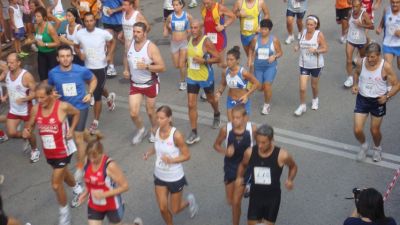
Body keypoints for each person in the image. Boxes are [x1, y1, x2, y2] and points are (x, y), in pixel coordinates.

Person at [22, 84, 84, 225]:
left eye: (42, 97)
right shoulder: (36, 109)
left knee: (56, 185)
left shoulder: (62, 106)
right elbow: (30, 125)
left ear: (51, 95)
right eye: (37, 98)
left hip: (63, 149)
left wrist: (71, 129)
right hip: (49, 151)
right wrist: (27, 131)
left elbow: (77, 113)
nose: (40, 100)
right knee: (64, 173)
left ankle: (65, 214)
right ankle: (78, 188)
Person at [48, 45, 97, 182]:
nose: (65, 59)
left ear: (72, 57)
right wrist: (52, 94)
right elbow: (50, 86)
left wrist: (90, 93)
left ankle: (81, 167)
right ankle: (92, 142)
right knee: (80, 133)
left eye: (68, 56)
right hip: (64, 109)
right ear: (58, 58)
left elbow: (93, 79)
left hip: (80, 106)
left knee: (77, 137)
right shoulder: (53, 73)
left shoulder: (81, 70)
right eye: (62, 56)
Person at [143, 105, 199, 225]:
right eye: (157, 118)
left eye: (162, 118)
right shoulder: (156, 131)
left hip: (175, 177)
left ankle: (189, 202)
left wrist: (171, 160)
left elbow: (187, 155)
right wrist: (149, 152)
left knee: (175, 209)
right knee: (163, 208)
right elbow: (157, 146)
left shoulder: (176, 135)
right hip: (159, 175)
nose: (159, 120)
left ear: (169, 119)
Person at [234, 124, 298, 225]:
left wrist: (290, 179)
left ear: (271, 139)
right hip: (255, 196)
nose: (259, 145)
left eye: (263, 142)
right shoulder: (250, 152)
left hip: (272, 198)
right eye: (258, 141)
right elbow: (243, 165)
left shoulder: (282, 155)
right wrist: (239, 177)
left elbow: (293, 166)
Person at [352, 43, 399, 162]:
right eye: (368, 56)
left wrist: (387, 96)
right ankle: (364, 146)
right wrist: (356, 84)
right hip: (362, 99)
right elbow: (356, 73)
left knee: (374, 130)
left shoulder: (385, 66)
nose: (370, 59)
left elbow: (397, 85)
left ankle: (377, 148)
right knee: (357, 130)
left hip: (377, 101)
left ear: (379, 55)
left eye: (372, 57)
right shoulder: (361, 62)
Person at [77, 130, 133, 225]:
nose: (92, 160)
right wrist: (85, 193)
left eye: (95, 157)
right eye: (90, 157)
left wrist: (104, 195)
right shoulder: (88, 160)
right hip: (94, 204)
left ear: (101, 153)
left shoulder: (110, 166)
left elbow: (125, 186)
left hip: (112, 205)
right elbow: (90, 181)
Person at [213, 104, 256, 225]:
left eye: (238, 117)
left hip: (245, 169)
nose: (234, 120)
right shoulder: (225, 129)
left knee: (236, 203)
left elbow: (261, 146)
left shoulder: (252, 129)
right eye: (233, 117)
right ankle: (248, 187)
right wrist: (225, 151)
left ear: (245, 118)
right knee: (230, 201)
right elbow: (216, 145)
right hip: (230, 167)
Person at [74, 13, 117, 134]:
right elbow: (76, 46)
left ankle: (95, 122)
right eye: (86, 21)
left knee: (96, 94)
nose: (89, 23)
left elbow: (113, 41)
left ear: (95, 20)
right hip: (88, 67)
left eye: (91, 20)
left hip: (101, 66)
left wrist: (109, 55)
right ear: (84, 22)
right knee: (99, 88)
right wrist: (79, 54)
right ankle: (109, 97)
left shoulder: (102, 33)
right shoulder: (80, 33)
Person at [125, 22, 166, 144]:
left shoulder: (151, 47)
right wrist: (126, 70)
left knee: (150, 111)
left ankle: (155, 130)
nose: (135, 34)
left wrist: (147, 67)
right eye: (134, 31)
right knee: (133, 113)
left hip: (150, 83)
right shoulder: (129, 43)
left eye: (138, 32)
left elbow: (162, 67)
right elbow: (126, 57)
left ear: (144, 33)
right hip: (135, 84)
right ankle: (142, 130)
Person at [185, 19, 221, 144]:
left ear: (201, 29)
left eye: (195, 28)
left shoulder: (206, 42)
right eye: (191, 27)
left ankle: (216, 113)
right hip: (191, 76)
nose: (193, 30)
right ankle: (194, 132)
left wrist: (204, 61)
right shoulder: (189, 37)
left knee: (211, 100)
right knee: (191, 104)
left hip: (205, 77)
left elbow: (218, 58)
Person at [0, 53, 40, 163]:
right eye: (8, 62)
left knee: (29, 133)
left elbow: (35, 93)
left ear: (19, 63)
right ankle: (24, 137)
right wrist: (6, 96)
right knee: (11, 133)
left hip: (27, 110)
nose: (9, 64)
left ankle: (34, 150)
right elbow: (10, 87)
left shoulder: (26, 76)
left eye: (12, 62)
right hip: (14, 110)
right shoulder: (7, 72)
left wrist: (24, 99)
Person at [294, 15, 328, 116]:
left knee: (313, 85)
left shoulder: (319, 35)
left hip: (316, 65)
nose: (309, 26)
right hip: (304, 64)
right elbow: (300, 43)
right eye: (307, 24)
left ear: (315, 25)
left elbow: (325, 48)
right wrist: (297, 46)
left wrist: (316, 50)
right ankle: (302, 105)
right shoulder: (303, 32)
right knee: (302, 88)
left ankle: (315, 99)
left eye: (311, 25)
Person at [248, 18, 283, 115]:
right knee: (259, 87)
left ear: (269, 30)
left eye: (265, 29)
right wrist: (250, 60)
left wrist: (274, 56)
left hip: (270, 67)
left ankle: (266, 105)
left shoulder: (274, 40)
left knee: (267, 86)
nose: (263, 31)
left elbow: (280, 52)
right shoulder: (255, 39)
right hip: (258, 67)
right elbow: (251, 50)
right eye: (262, 28)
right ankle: (264, 89)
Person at [215, 46, 259, 121]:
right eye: (227, 59)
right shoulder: (225, 71)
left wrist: (246, 95)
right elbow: (223, 84)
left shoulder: (243, 72)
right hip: (231, 100)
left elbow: (256, 83)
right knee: (231, 125)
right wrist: (219, 93)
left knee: (243, 126)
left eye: (231, 60)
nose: (228, 62)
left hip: (242, 101)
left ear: (237, 61)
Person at [343, 0, 374, 88]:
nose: (355, 8)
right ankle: (349, 78)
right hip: (350, 40)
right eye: (353, 6)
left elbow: (372, 26)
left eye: (357, 6)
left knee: (363, 60)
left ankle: (364, 76)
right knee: (349, 60)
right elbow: (349, 23)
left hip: (361, 41)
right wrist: (347, 29)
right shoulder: (350, 13)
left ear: (360, 6)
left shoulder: (364, 14)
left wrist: (362, 25)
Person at [163, 0, 192, 91]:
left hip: (183, 43)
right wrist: (166, 31)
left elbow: (194, 25)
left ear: (181, 5)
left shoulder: (187, 16)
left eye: (176, 5)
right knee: (176, 65)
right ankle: (186, 62)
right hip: (174, 43)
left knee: (181, 64)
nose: (174, 7)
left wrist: (190, 33)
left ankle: (183, 82)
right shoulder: (170, 17)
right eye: (173, 5)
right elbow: (166, 24)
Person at [121, 0, 150, 81]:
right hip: (127, 42)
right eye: (123, 5)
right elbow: (126, 26)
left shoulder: (137, 15)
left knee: (136, 59)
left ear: (131, 5)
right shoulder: (123, 14)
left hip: (135, 43)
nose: (123, 7)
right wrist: (122, 33)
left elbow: (147, 27)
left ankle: (142, 76)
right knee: (126, 55)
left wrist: (141, 37)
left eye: (125, 5)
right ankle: (127, 72)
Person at [31, 7, 60, 83]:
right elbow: (38, 39)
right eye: (35, 16)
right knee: (43, 76)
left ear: (44, 18)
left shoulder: (49, 27)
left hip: (51, 54)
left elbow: (57, 43)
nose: (36, 18)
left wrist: (45, 44)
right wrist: (31, 41)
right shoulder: (36, 26)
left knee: (54, 76)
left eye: (38, 16)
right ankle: (46, 93)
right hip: (41, 54)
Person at [101, 0, 123, 77]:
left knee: (126, 43)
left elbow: (125, 5)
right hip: (107, 20)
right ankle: (111, 67)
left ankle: (134, 61)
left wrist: (114, 10)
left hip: (119, 21)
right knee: (109, 43)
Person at [376, 0, 400, 70]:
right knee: (387, 67)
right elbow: (384, 19)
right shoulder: (386, 10)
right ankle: (389, 81)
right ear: (390, 2)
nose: (395, 4)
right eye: (393, 2)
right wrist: (380, 27)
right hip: (388, 44)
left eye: (397, 2)